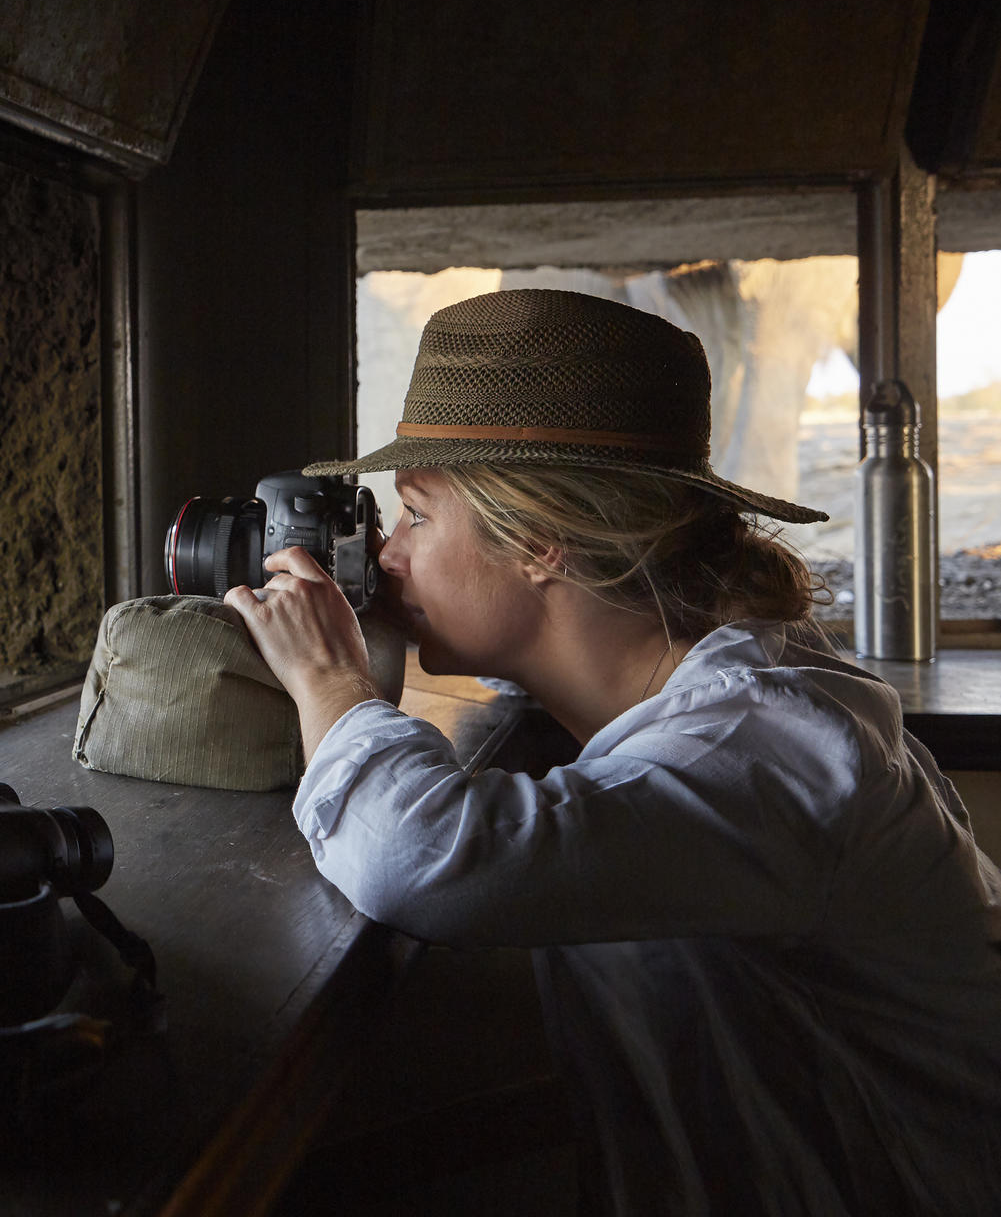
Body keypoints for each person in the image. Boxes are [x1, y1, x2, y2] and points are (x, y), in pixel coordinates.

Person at [223, 288, 1001, 1214]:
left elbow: (414, 858)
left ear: (543, 543)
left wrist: (329, 682)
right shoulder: (676, 691)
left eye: (418, 517)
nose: (386, 554)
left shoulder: (767, 742)